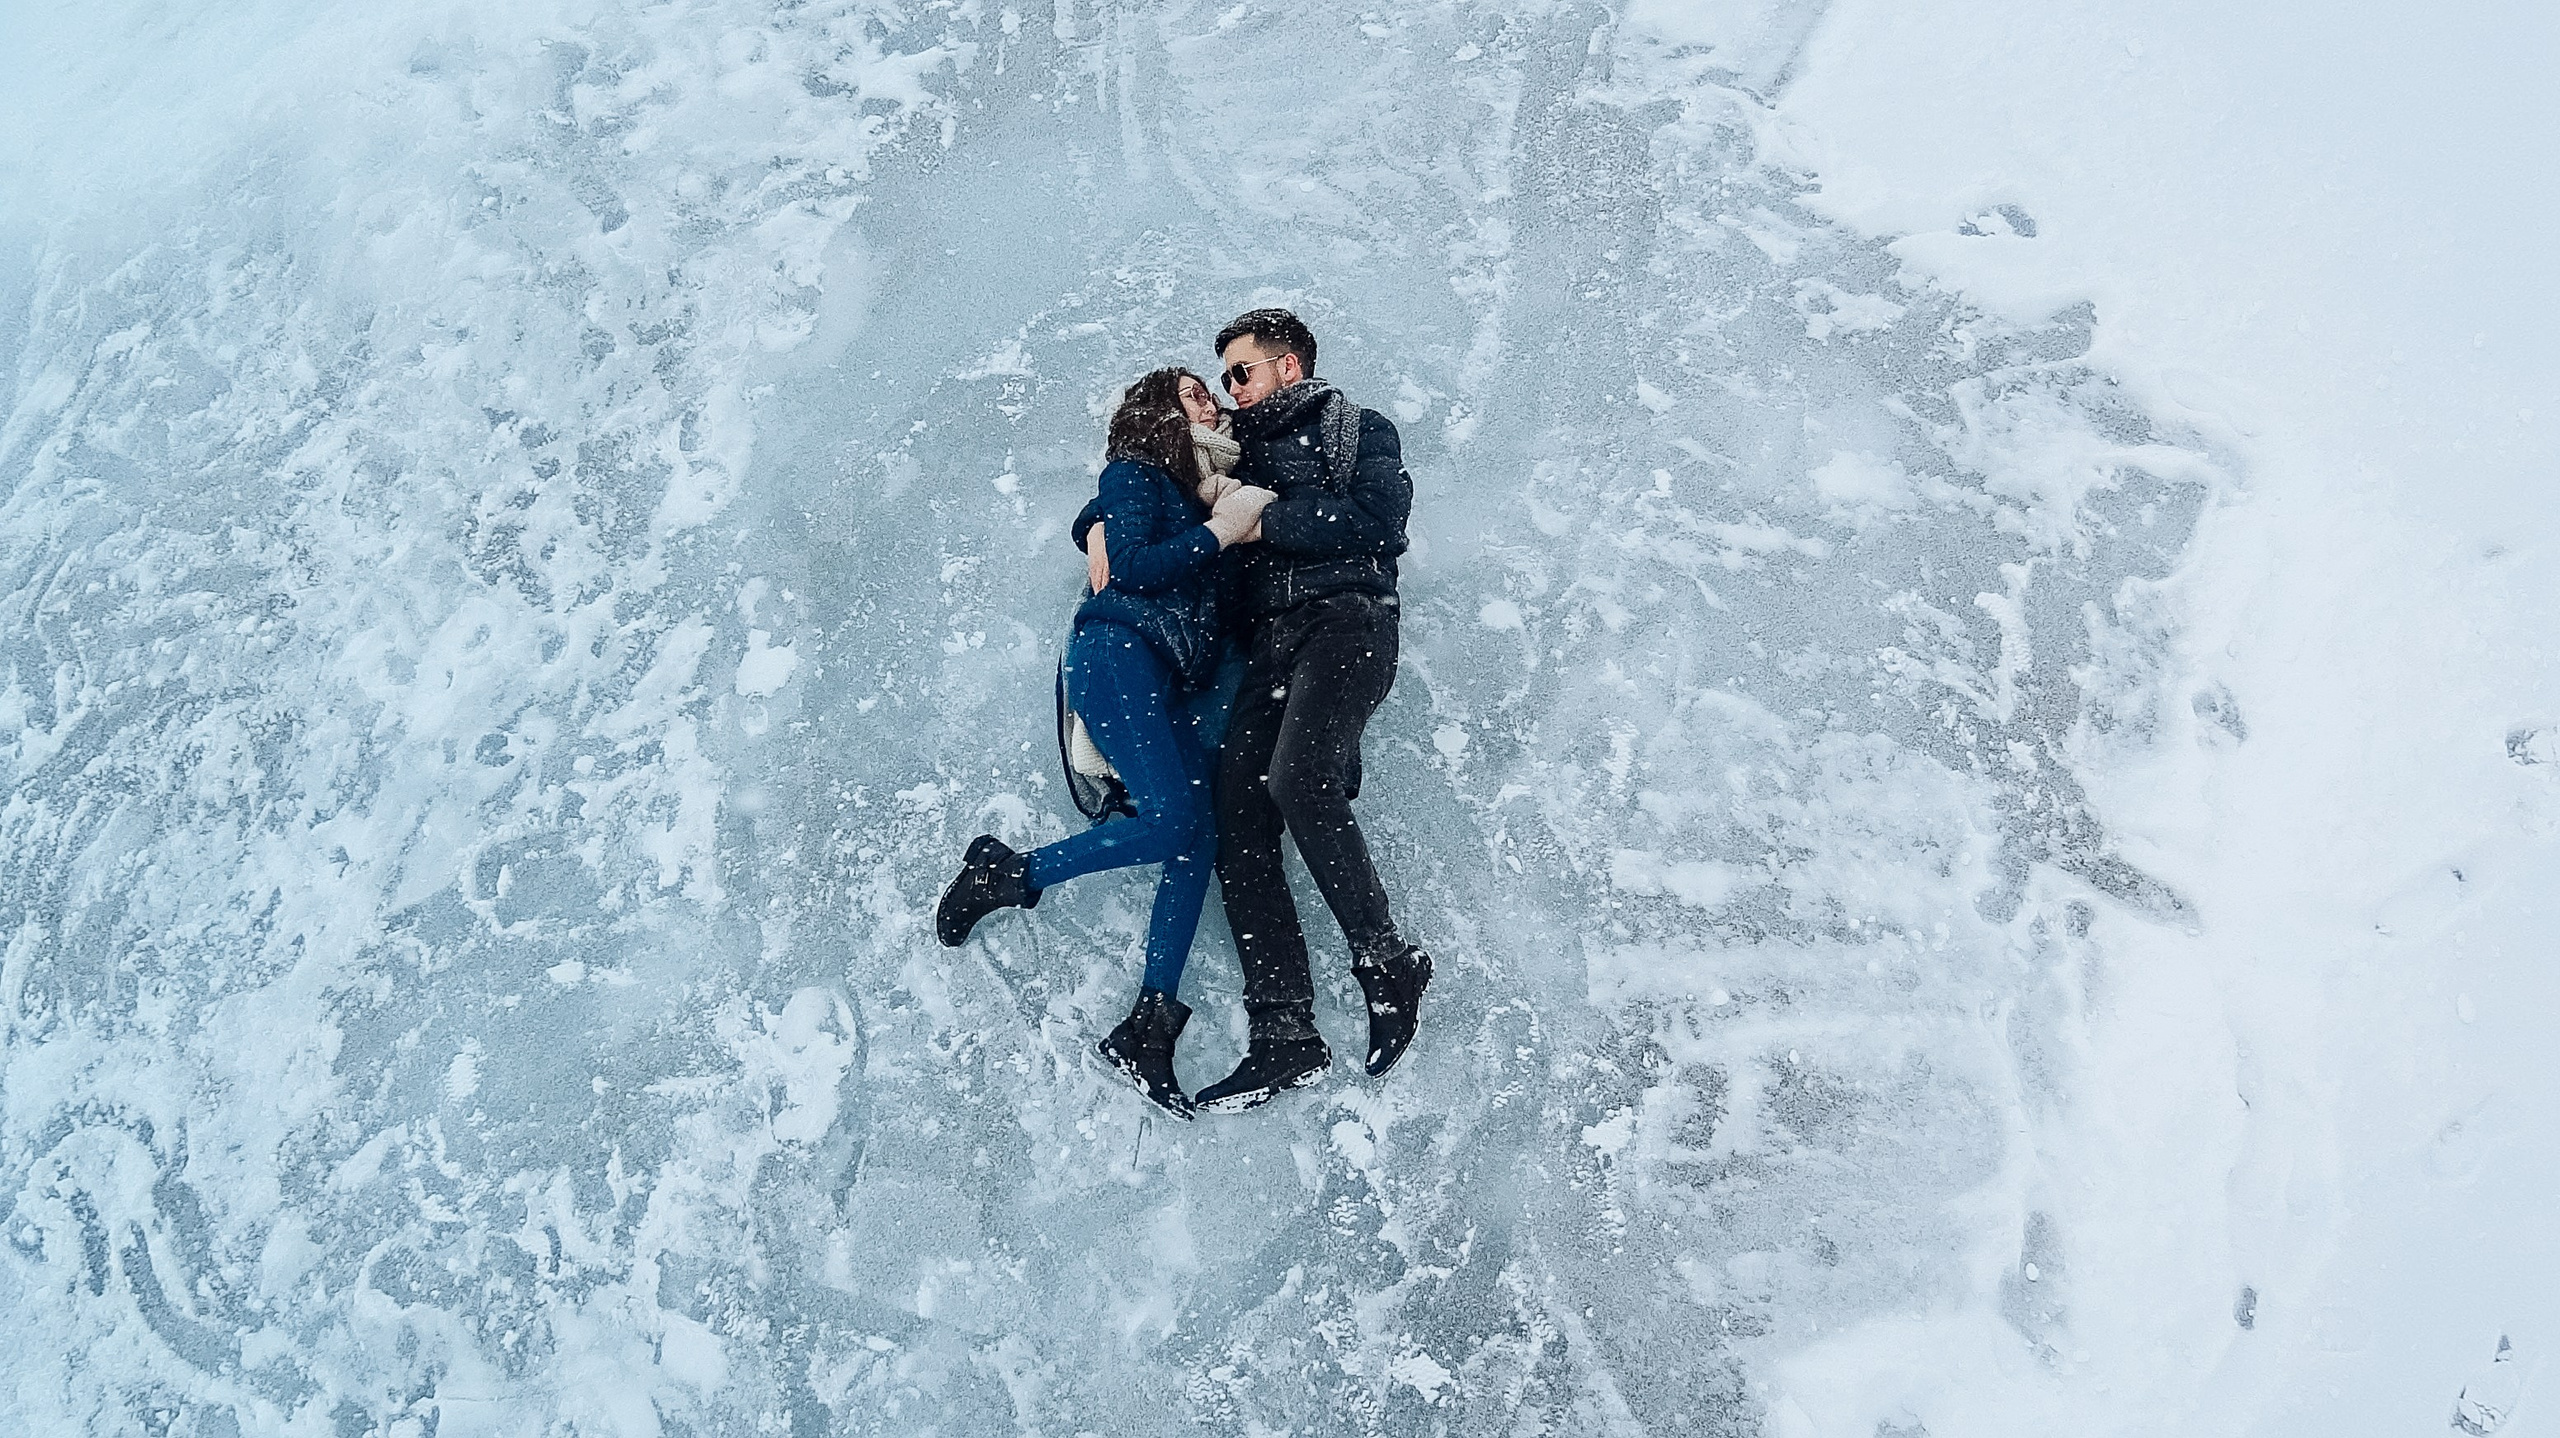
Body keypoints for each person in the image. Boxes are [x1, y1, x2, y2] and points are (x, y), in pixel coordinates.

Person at [936, 369, 1273, 1118]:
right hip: (1119, 653)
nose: (1210, 402)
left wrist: (1217, 515)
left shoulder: (1198, 491)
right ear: (1158, 412)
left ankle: (1148, 1029)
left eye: (1210, 394)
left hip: (1164, 677)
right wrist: (1219, 530)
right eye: (1192, 395)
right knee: (1174, 824)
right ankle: (1009, 873)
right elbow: (1136, 565)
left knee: (1197, 839)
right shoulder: (1137, 473)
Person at [1189, 308, 1434, 1114]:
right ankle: (1285, 1033)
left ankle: (1386, 960)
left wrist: (1260, 520)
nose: (1231, 388)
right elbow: (1160, 502)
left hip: (1348, 621)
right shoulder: (1234, 454)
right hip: (1270, 647)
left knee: (1300, 780)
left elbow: (1376, 524)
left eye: (1240, 372)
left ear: (1286, 367)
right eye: (1223, 377)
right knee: (1236, 813)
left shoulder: (1357, 429)